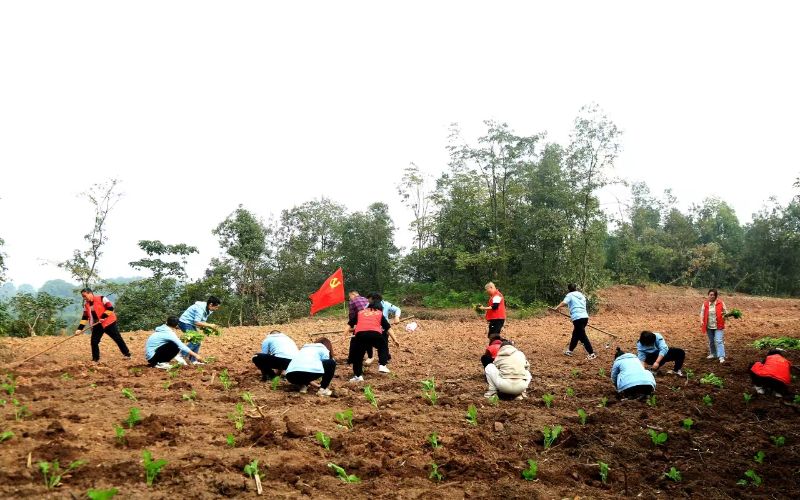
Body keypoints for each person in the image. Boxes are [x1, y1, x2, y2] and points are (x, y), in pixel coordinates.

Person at [74, 288, 131, 362]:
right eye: (83, 297)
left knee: (117, 338)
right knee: (94, 341)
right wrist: (79, 329)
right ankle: (95, 359)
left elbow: (110, 308)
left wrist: (103, 317)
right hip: (97, 325)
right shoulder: (86, 305)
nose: (84, 298)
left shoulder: (102, 298)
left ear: (90, 293)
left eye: (85, 296)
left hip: (109, 323)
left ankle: (127, 354)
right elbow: (84, 317)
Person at [348, 299, 395, 381]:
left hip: (360, 335)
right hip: (375, 334)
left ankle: (358, 376)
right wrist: (395, 339)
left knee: (358, 356)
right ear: (380, 309)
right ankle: (382, 365)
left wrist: (343, 335)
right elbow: (388, 328)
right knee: (383, 346)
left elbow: (349, 325)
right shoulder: (379, 313)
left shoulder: (360, 313)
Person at [552, 283, 596, 360]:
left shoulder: (570, 295)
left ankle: (591, 353)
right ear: (576, 288)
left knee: (582, 336)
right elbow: (581, 306)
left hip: (578, 318)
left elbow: (564, 302)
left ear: (568, 289)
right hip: (584, 317)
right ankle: (570, 351)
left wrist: (557, 308)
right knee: (575, 334)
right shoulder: (581, 295)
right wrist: (573, 316)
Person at [178, 296, 221, 363]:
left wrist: (209, 328)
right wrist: (210, 325)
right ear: (211, 304)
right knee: (196, 340)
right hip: (185, 322)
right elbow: (197, 322)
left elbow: (202, 322)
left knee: (198, 340)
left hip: (191, 324)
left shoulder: (209, 309)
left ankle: (193, 360)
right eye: (216, 307)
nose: (217, 309)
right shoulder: (200, 308)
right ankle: (181, 355)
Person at [364, 292, 401, 366]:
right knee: (369, 343)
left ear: (373, 298)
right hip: (372, 328)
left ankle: (384, 360)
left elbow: (397, 309)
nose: (368, 300)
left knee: (384, 344)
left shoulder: (386, 304)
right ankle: (371, 357)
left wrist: (397, 317)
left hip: (384, 328)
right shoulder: (368, 305)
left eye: (369, 299)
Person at [700, 288, 728, 364]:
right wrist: (702, 321)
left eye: (713, 295)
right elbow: (702, 313)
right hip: (709, 325)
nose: (712, 296)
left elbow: (726, 312)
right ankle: (713, 353)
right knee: (711, 341)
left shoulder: (721, 303)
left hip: (718, 325)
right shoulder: (705, 304)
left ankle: (721, 356)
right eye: (710, 295)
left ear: (716, 296)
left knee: (719, 341)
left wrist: (725, 316)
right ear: (708, 295)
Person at [346, 291, 369, 365]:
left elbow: (352, 315)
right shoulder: (366, 299)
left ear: (353, 294)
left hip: (361, 323)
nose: (349, 299)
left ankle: (351, 359)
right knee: (368, 341)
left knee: (354, 341)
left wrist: (351, 326)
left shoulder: (352, 301)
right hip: (371, 322)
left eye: (350, 297)